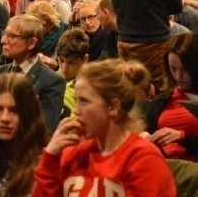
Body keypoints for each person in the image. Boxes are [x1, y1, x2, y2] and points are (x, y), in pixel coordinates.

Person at [32, 59, 177, 196]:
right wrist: (50, 157)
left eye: (84, 101)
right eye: (76, 101)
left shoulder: (143, 160)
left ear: (113, 108)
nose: (76, 110)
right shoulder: (74, 154)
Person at [142, 33, 198, 160]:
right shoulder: (161, 101)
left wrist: (182, 136)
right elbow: (148, 133)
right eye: (173, 69)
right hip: (160, 162)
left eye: (184, 70)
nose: (178, 76)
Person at [54, 27, 90, 118]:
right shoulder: (50, 78)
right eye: (61, 61)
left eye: (71, 63)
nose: (64, 68)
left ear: (85, 59)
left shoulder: (90, 88)